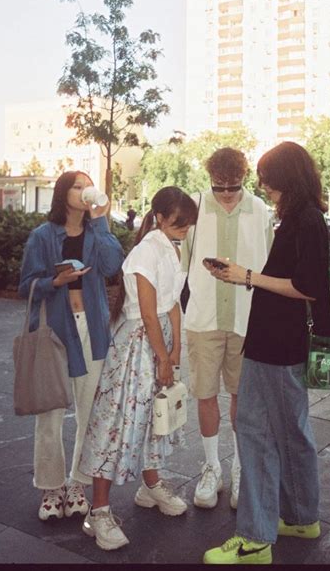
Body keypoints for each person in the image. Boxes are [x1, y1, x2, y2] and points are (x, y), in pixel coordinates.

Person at [203, 141, 330, 565]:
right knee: (292, 433)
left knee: (256, 433)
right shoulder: (304, 217)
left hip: (277, 345)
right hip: (282, 343)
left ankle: (254, 539)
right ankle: (299, 517)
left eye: (267, 178)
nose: (263, 186)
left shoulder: (305, 220)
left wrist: (247, 276)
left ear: (286, 179)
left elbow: (306, 286)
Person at [78, 186, 198, 551]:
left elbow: (172, 302)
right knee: (115, 421)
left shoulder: (170, 248)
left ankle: (150, 485)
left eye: (187, 224)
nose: (183, 229)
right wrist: (164, 355)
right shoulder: (146, 251)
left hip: (158, 340)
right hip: (137, 346)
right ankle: (98, 511)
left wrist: (176, 348)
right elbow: (147, 312)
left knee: (151, 418)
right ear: (159, 217)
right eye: (178, 223)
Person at [18, 171, 124, 522]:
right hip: (56, 332)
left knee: (89, 414)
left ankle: (78, 483)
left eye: (87, 186)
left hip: (91, 329)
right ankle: (50, 487)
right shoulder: (42, 236)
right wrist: (55, 280)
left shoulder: (97, 231)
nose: (84, 191)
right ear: (63, 193)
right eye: (77, 186)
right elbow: (27, 286)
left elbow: (112, 266)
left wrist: (101, 219)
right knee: (49, 413)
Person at [181, 147, 274, 510]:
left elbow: (267, 268)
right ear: (210, 181)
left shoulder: (260, 211)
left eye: (232, 188)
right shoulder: (195, 206)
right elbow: (181, 263)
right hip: (204, 318)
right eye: (218, 188)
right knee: (204, 394)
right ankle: (211, 467)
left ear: (243, 180)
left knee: (242, 398)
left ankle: (238, 467)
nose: (226, 195)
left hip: (245, 320)